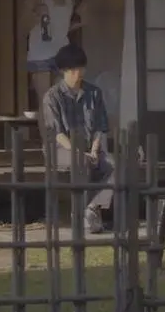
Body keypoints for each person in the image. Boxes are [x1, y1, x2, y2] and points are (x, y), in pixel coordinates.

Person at [42, 43, 113, 234]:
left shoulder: (94, 92)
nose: (78, 73)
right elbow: (57, 134)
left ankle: (92, 207)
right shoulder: (52, 96)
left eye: (81, 68)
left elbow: (100, 127)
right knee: (81, 161)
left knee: (114, 164)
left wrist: (95, 149)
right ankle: (79, 213)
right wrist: (79, 152)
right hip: (61, 149)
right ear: (63, 71)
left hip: (90, 147)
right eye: (73, 69)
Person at [22, 0, 87, 109]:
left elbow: (63, 29)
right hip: (40, 54)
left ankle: (62, 125)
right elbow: (22, 27)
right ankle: (46, 126)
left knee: (65, 97)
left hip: (62, 52)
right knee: (46, 101)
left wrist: (81, 21)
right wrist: (35, 16)